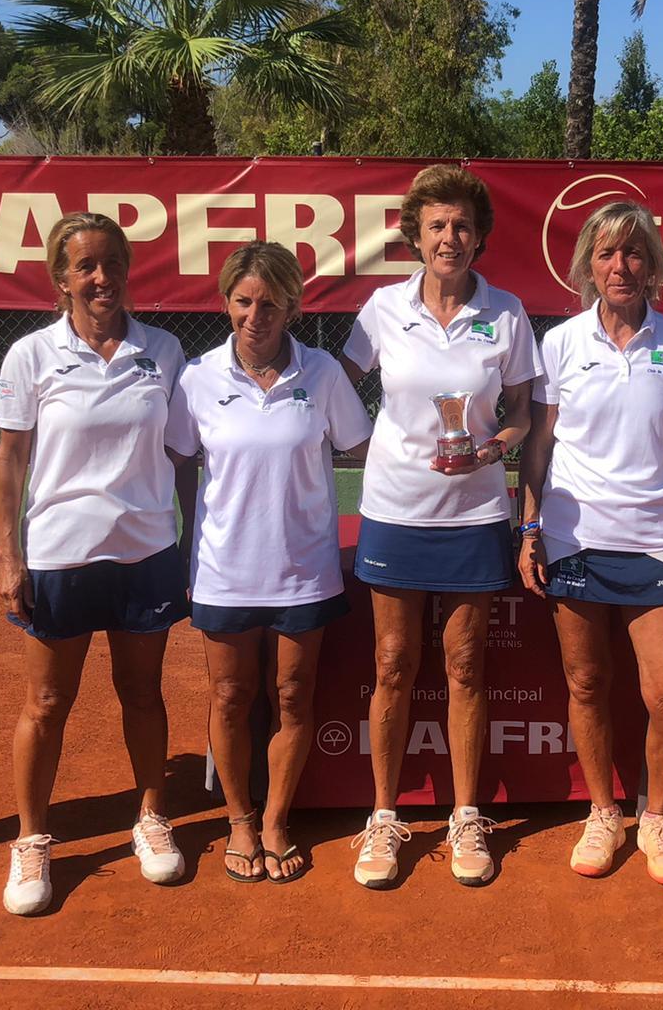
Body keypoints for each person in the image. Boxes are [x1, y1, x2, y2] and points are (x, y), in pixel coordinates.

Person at [341, 164, 540, 890]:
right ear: (415, 236)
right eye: (436, 226)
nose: (449, 237)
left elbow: (523, 412)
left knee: (465, 666)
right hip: (395, 510)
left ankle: (464, 813)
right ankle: (385, 815)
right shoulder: (380, 310)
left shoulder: (508, 313)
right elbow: (337, 386)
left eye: (461, 225)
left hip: (477, 513)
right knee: (393, 664)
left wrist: (492, 447)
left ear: (479, 235)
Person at [0, 212, 193, 916]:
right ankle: (32, 838)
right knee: (46, 703)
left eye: (111, 263)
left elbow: (181, 455)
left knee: (143, 695)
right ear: (62, 278)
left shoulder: (164, 351)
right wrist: (9, 555)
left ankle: (150, 818)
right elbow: (11, 458)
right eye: (85, 266)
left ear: (127, 269)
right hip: (59, 555)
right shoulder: (32, 355)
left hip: (145, 552)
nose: (101, 277)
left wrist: (191, 539)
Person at [516, 201, 663, 887]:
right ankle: (603, 810)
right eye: (606, 254)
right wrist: (530, 527)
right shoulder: (561, 343)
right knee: (587, 682)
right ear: (588, 267)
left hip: (656, 542)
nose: (620, 266)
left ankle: (657, 817)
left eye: (632, 253)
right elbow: (539, 445)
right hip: (573, 539)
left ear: (651, 263)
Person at [174, 242, 373, 884]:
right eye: (243, 300)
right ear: (226, 302)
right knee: (230, 697)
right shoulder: (198, 377)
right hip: (223, 571)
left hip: (304, 570)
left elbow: (366, 449)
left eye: (270, 302)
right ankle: (238, 819)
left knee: (292, 695)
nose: (255, 314)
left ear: (293, 305)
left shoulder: (322, 375)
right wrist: (187, 543)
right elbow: (180, 465)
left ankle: (277, 819)